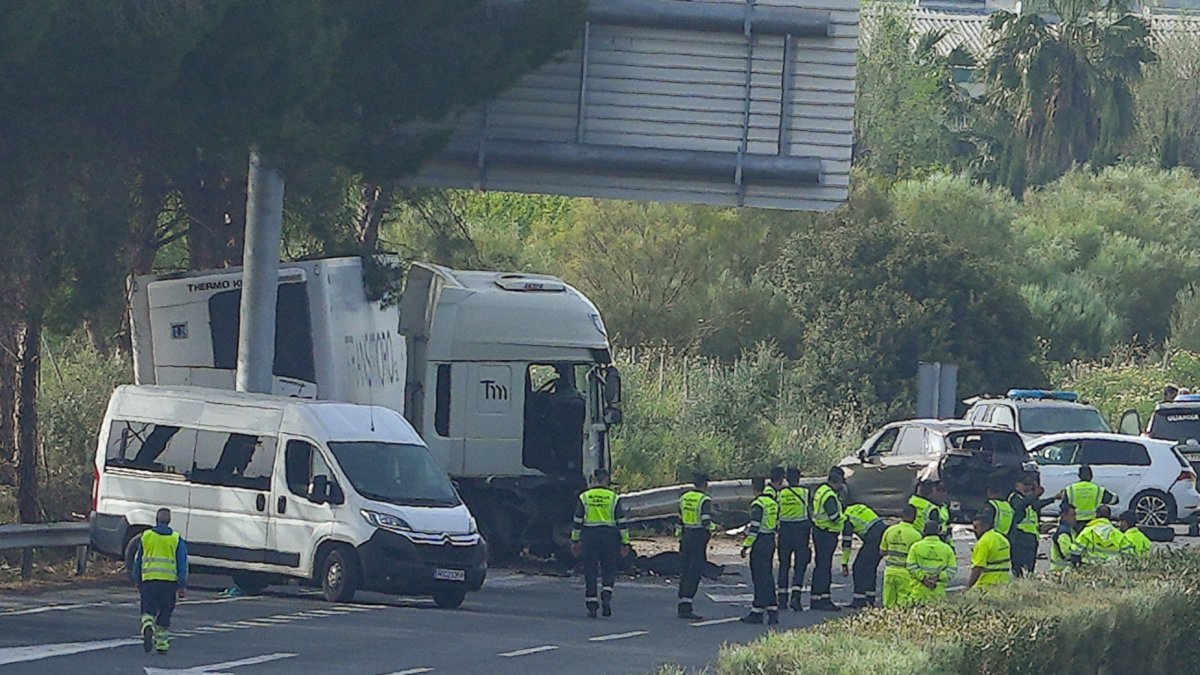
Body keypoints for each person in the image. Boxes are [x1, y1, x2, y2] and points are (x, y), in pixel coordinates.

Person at [571, 469, 630, 618]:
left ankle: (591, 605)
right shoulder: (613, 498)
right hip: (609, 537)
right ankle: (606, 595)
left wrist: (575, 541)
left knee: (590, 570)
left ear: (594, 479)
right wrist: (625, 543)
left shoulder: (585, 497)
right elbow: (622, 523)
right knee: (608, 568)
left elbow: (577, 521)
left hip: (590, 536)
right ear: (607, 480)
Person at [131, 508, 188, 654]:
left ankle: (148, 626)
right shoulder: (176, 538)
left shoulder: (146, 536)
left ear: (156, 519)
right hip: (169, 583)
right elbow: (182, 563)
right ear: (169, 521)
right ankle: (161, 644)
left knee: (148, 610)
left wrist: (137, 578)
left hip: (149, 581)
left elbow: (139, 559)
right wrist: (182, 584)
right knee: (165, 612)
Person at [677, 472, 717, 619]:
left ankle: (682, 603)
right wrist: (715, 528)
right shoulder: (704, 499)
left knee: (685, 570)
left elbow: (680, 519)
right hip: (698, 537)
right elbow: (706, 521)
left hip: (686, 535)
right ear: (705, 484)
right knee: (695, 571)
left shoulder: (684, 497)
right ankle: (687, 605)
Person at [740, 477, 780, 624]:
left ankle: (757, 611)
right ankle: (772, 610)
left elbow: (754, 528)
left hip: (760, 542)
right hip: (770, 540)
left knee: (759, 577)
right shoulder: (773, 503)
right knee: (767, 575)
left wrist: (746, 545)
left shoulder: (758, 504)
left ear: (754, 487)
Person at [810, 467, 846, 611]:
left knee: (820, 567)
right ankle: (824, 599)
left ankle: (815, 598)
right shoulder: (830, 496)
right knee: (824, 568)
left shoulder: (821, 490)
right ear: (836, 481)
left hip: (819, 531)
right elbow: (835, 517)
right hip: (827, 533)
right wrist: (846, 518)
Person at [776, 467, 811, 612]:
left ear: (786, 479)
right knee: (800, 565)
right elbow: (810, 511)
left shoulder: (780, 494)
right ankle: (796, 598)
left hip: (785, 530)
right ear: (799, 478)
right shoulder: (805, 492)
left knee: (784, 565)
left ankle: (782, 600)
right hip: (801, 530)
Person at [840, 502, 886, 608]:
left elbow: (847, 544)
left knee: (858, 567)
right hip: (883, 533)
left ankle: (859, 599)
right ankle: (870, 598)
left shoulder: (846, 519)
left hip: (873, 538)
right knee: (870, 567)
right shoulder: (857, 507)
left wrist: (844, 563)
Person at [1009, 472, 1054, 576]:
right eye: (1025, 484)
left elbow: (1037, 505)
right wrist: (1034, 495)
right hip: (1019, 537)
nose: (1027, 487)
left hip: (1032, 538)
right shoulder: (1014, 497)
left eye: (1029, 485)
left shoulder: (1030, 498)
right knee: (1018, 568)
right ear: (1017, 485)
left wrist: (1053, 498)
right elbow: (1020, 505)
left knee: (1029, 569)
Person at [880, 504, 922, 608]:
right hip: (905, 573)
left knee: (888, 603)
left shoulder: (890, 530)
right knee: (903, 604)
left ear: (902, 515)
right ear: (915, 517)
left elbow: (882, 551)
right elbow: (917, 558)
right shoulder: (916, 535)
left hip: (889, 571)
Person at [906, 520, 957, 605]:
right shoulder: (947, 549)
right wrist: (937, 578)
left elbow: (911, 566)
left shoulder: (915, 547)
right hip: (938, 593)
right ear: (939, 531)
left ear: (924, 531)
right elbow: (952, 570)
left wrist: (924, 578)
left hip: (918, 592)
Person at [968, 510, 1012, 590]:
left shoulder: (983, 542)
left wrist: (969, 586)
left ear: (985, 526)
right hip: (1003, 584)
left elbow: (978, 568)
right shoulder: (1002, 539)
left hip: (986, 585)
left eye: (976, 527)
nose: (974, 531)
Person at [1049, 503, 1082, 572]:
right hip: (1060, 570)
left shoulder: (1070, 530)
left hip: (1064, 570)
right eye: (1072, 515)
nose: (1075, 518)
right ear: (1064, 516)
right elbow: (1067, 553)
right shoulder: (1063, 532)